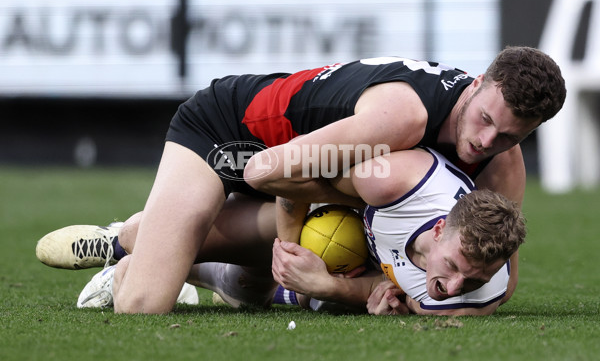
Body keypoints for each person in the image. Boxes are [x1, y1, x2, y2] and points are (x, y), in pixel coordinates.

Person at [38, 46, 565, 314]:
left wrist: (360, 289)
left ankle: (187, 255)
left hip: (321, 177)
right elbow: (268, 170)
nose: (485, 142)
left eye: (508, 135)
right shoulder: (402, 121)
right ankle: (130, 240)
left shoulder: (502, 164)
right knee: (145, 304)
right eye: (485, 120)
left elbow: (496, 279)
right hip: (233, 137)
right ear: (477, 84)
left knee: (253, 291)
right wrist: (294, 261)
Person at [38, 147, 526, 316]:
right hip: (313, 198)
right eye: (458, 270)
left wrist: (332, 286)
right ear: (439, 229)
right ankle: (119, 240)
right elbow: (294, 173)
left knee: (250, 291)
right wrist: (290, 250)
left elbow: (415, 298)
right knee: (161, 234)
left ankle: (176, 273)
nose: (454, 288)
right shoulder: (399, 179)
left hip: (355, 254)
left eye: (475, 281)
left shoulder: (476, 291)